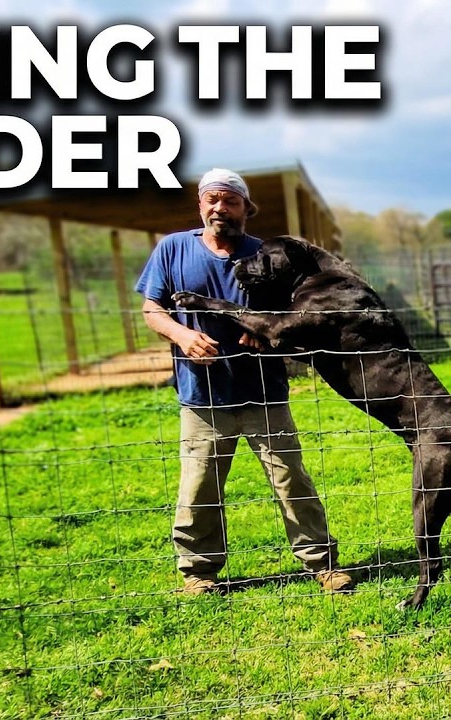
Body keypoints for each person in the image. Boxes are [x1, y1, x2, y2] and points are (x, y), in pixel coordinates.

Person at [134, 168, 354, 596]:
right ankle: (198, 572)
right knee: (199, 486)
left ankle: (322, 564)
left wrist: (269, 331)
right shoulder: (173, 249)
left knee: (291, 481)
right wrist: (182, 335)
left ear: (246, 208)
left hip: (264, 392)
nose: (221, 208)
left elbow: (295, 310)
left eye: (230, 201)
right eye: (212, 199)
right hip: (202, 394)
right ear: (200, 204)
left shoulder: (268, 254)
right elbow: (151, 309)